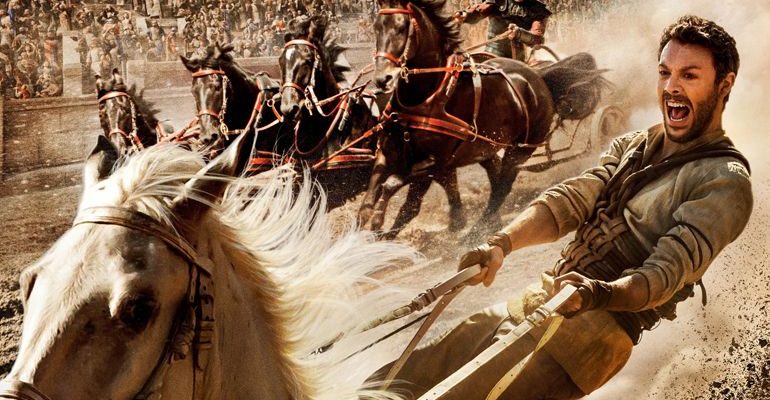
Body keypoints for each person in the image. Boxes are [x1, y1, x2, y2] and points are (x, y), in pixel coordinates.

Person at [370, 15, 753, 399]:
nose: (671, 87)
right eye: (665, 73)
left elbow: (664, 275)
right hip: (540, 297)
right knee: (401, 376)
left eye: (689, 76)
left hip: (589, 339)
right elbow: (570, 200)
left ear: (724, 85)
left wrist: (595, 293)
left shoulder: (725, 181)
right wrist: (500, 244)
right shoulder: (635, 143)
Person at [454, 0, 551, 62]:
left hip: (517, 60)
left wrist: (519, 33)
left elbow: (537, 40)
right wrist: (465, 15)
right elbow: (480, 12)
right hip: (491, 54)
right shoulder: (498, 1)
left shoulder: (538, 9)